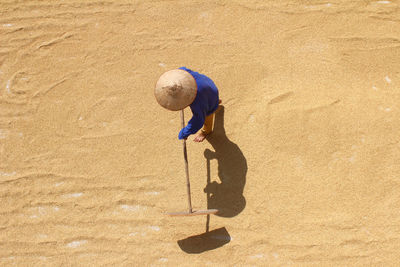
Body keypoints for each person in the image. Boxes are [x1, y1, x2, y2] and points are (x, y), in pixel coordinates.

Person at [155, 67, 220, 142]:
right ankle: (216, 101)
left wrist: (184, 133)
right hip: (209, 85)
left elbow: (198, 121)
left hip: (208, 98)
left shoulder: (197, 101)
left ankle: (206, 131)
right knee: (209, 97)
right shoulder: (181, 72)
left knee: (208, 113)